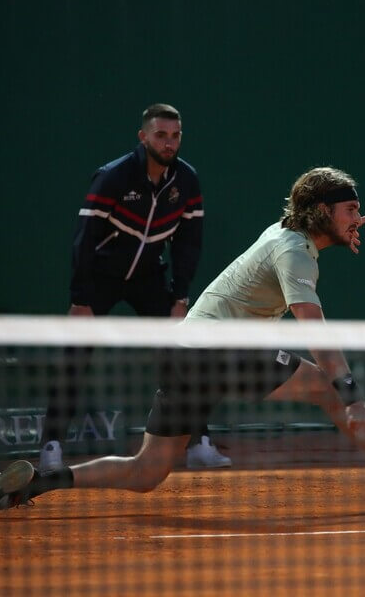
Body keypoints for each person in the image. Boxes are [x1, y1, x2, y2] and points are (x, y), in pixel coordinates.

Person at [0, 166, 365, 519]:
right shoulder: (296, 254)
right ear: (321, 211)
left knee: (147, 471)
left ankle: (36, 485)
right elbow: (315, 333)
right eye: (351, 210)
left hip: (183, 352)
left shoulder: (285, 233)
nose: (359, 218)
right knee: (327, 386)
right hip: (218, 349)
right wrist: (354, 398)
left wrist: (342, 231)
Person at [41, 103, 230, 473]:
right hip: (101, 277)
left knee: (181, 355)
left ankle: (199, 444)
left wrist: (180, 296)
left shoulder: (187, 181)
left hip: (149, 277)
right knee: (74, 357)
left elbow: (188, 244)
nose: (169, 143)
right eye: (161, 135)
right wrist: (80, 300)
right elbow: (84, 238)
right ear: (143, 137)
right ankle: (51, 448)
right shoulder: (113, 176)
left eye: (175, 136)